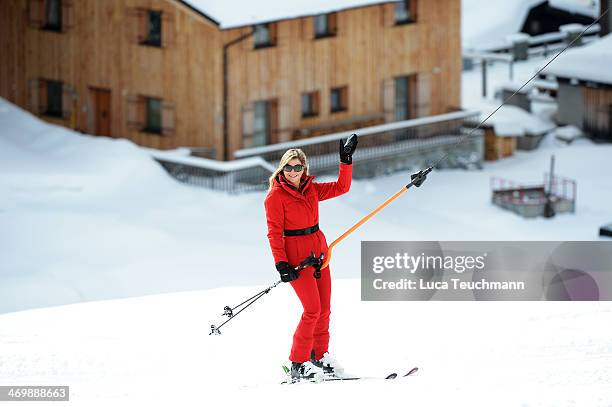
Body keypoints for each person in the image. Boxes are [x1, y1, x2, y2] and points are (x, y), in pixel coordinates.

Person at [264, 135, 358, 380]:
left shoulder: (312, 190)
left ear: (304, 169)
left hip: (319, 253)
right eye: (289, 167)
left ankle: (320, 355)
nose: (293, 171)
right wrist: (281, 263)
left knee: (324, 309)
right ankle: (298, 362)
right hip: (295, 257)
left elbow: (342, 187)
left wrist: (345, 162)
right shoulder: (275, 197)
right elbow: (274, 232)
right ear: (282, 168)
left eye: (297, 167)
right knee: (312, 310)